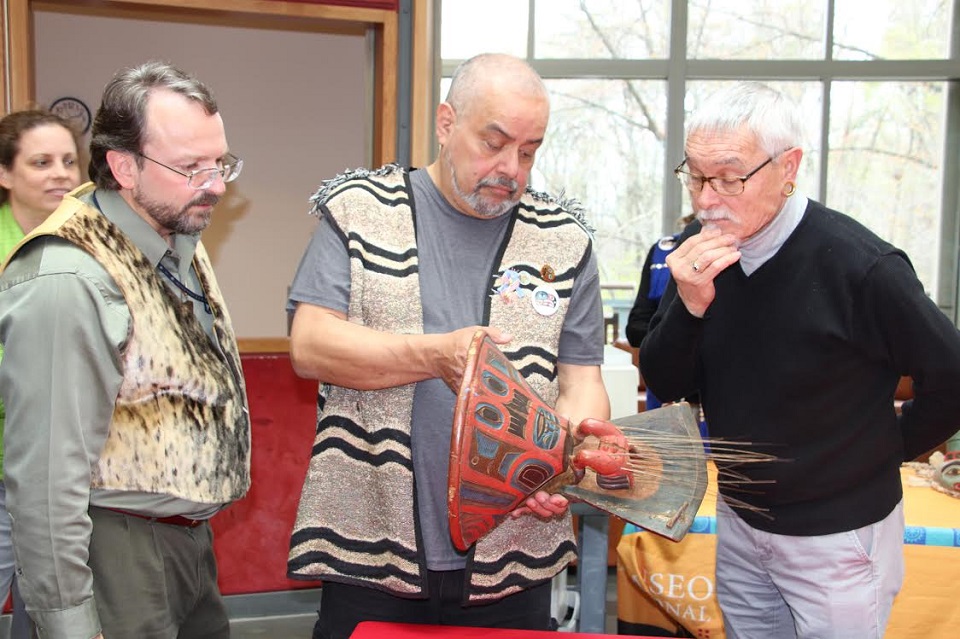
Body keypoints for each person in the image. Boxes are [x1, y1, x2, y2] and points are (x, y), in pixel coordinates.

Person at [286, 52, 610, 639]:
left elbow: (583, 382)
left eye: (530, 150)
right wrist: (435, 356)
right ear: (445, 123)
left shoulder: (565, 242)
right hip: (370, 549)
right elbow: (310, 346)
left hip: (514, 556)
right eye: (495, 142)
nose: (511, 167)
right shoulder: (360, 212)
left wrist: (554, 469)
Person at [639, 81, 960, 638]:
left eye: (729, 177)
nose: (706, 198)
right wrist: (689, 308)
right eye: (694, 175)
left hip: (838, 536)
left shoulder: (862, 267)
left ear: (788, 167)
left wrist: (888, 448)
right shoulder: (703, 248)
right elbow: (667, 380)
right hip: (740, 521)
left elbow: (952, 373)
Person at [0, 61, 250, 639]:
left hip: (186, 543)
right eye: (191, 167)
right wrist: (68, 626)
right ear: (124, 167)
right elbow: (43, 489)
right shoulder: (68, 277)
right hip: (113, 551)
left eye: (220, 163)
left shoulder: (174, 230)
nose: (214, 183)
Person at [0, 109, 82, 638]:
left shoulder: (92, 246)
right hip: (5, 465)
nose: (61, 174)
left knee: (52, 621)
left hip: (65, 479)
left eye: (70, 161)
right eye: (42, 162)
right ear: (5, 174)